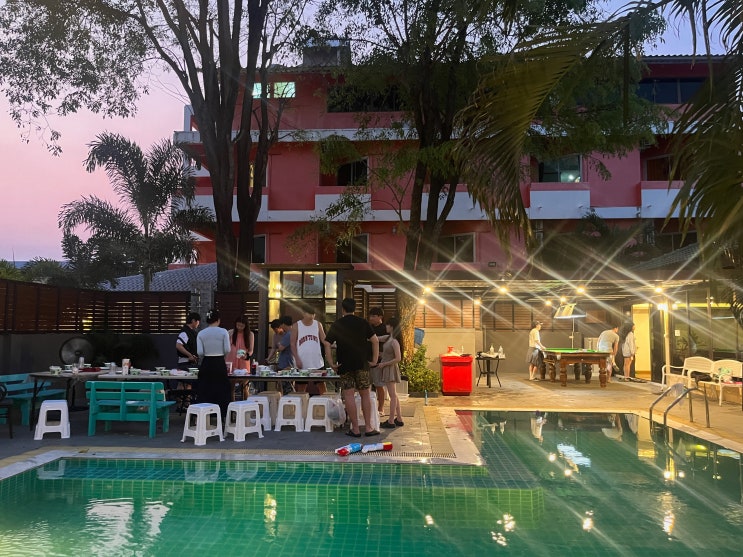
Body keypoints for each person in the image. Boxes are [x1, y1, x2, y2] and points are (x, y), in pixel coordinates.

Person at [323, 297, 379, 437]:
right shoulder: (363, 322)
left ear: (343, 309)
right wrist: (374, 360)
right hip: (362, 363)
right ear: (355, 309)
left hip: (345, 364)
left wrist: (331, 362)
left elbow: (327, 343)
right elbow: (375, 340)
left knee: (349, 395)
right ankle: (368, 427)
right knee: (365, 394)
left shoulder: (337, 324)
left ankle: (355, 429)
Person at [196, 309, 232, 417]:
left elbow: (200, 352)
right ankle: (222, 415)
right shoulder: (223, 332)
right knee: (221, 389)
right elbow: (227, 349)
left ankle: (204, 415)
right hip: (219, 363)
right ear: (218, 320)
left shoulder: (201, 333)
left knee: (205, 389)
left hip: (206, 363)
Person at [291, 303, 327, 394]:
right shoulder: (296, 325)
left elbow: (324, 340)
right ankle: (302, 402)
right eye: (309, 313)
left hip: (316, 361)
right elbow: (292, 344)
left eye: (313, 314)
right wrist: (297, 359)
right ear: (303, 313)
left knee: (321, 385)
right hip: (302, 361)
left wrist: (333, 344)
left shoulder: (318, 324)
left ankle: (326, 402)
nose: (312, 316)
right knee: (301, 387)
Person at [379, 316, 404, 429]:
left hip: (390, 368)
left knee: (392, 395)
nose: (386, 326)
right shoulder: (388, 338)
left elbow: (398, 358)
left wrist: (384, 364)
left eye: (387, 324)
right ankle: (399, 418)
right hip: (388, 367)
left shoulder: (394, 341)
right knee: (394, 394)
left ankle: (391, 420)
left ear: (392, 327)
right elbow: (376, 338)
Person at [368, 307, 388, 416]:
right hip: (368, 360)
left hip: (379, 362)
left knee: (379, 385)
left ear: (380, 317)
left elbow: (389, 340)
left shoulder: (384, 328)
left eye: (373, 316)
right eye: (370, 316)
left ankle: (381, 408)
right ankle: (369, 407)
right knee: (367, 386)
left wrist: (383, 353)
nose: (371, 318)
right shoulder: (368, 327)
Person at [276, 315, 295, 394]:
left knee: (287, 388)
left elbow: (281, 348)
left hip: (286, 364)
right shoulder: (293, 332)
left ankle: (289, 401)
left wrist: (278, 343)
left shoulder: (288, 335)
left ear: (283, 324)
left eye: (281, 325)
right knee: (289, 385)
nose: (280, 327)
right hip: (291, 362)